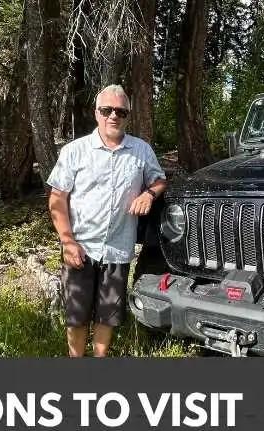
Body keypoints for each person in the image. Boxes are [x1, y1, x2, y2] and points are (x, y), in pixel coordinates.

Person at [46, 85, 167, 358]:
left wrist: (149, 193)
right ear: (96, 113)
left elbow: (160, 180)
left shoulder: (141, 150)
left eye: (121, 111)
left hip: (118, 248)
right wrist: (67, 241)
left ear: (128, 116)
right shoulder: (74, 151)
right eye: (107, 110)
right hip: (81, 247)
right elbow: (57, 199)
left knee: (108, 314)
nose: (114, 116)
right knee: (76, 315)